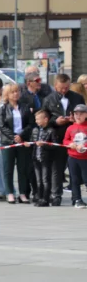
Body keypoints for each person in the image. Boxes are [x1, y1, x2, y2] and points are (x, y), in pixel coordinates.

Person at [44, 74, 85, 206]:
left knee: (76, 170)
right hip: (57, 136)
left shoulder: (77, 97)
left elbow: (83, 114)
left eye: (66, 87)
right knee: (57, 167)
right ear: (55, 86)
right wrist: (55, 121)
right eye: (61, 88)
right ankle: (56, 195)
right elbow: (43, 118)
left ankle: (76, 197)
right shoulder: (49, 99)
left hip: (76, 137)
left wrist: (76, 120)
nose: (63, 90)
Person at [0, 83, 34, 204]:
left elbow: (30, 124)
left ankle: (23, 193)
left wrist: (21, 135)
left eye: (17, 91)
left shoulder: (25, 107)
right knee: (8, 168)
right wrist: (14, 137)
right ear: (7, 94)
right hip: (8, 141)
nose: (16, 94)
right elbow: (2, 126)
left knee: (22, 168)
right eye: (13, 92)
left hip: (22, 141)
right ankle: (10, 193)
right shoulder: (3, 109)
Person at [31, 108, 59, 207]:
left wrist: (44, 145)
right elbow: (32, 142)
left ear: (46, 119)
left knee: (45, 180)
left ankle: (46, 199)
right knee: (38, 180)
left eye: (38, 119)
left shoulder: (51, 131)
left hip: (46, 159)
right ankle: (40, 197)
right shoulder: (35, 130)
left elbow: (55, 145)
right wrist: (28, 144)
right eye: (36, 119)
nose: (36, 121)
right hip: (36, 158)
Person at [63, 104, 87, 208]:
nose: (78, 116)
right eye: (76, 113)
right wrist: (70, 144)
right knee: (74, 179)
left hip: (85, 158)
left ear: (86, 114)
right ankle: (77, 199)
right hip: (73, 157)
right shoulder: (70, 128)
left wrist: (84, 145)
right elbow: (65, 140)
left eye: (81, 114)